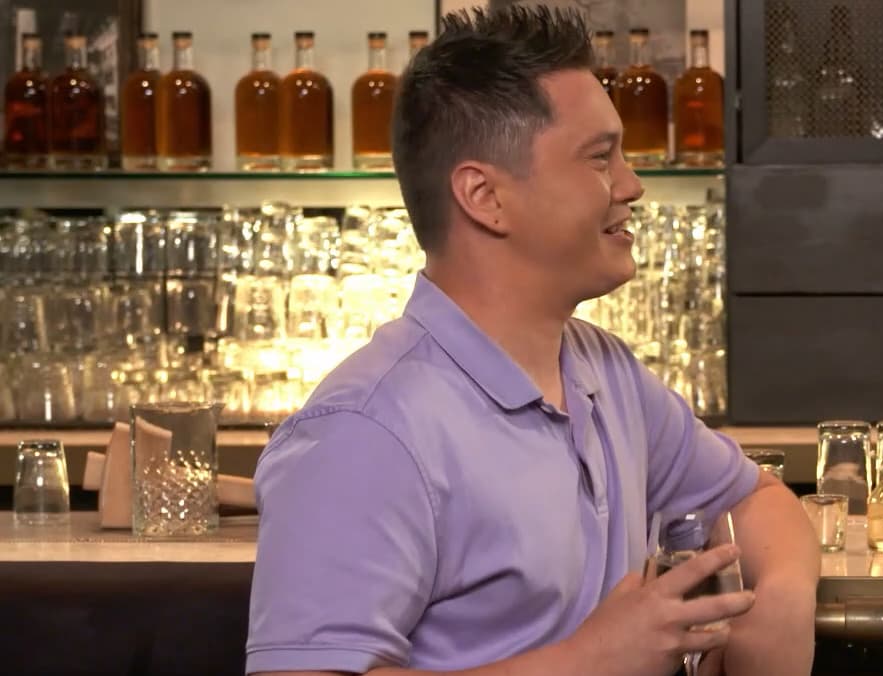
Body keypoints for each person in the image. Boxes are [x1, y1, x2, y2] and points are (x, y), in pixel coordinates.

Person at [245, 7, 818, 676]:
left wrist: (781, 602)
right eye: (600, 158)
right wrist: (591, 661)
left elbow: (753, 499)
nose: (631, 186)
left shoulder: (605, 371)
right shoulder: (363, 432)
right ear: (485, 196)